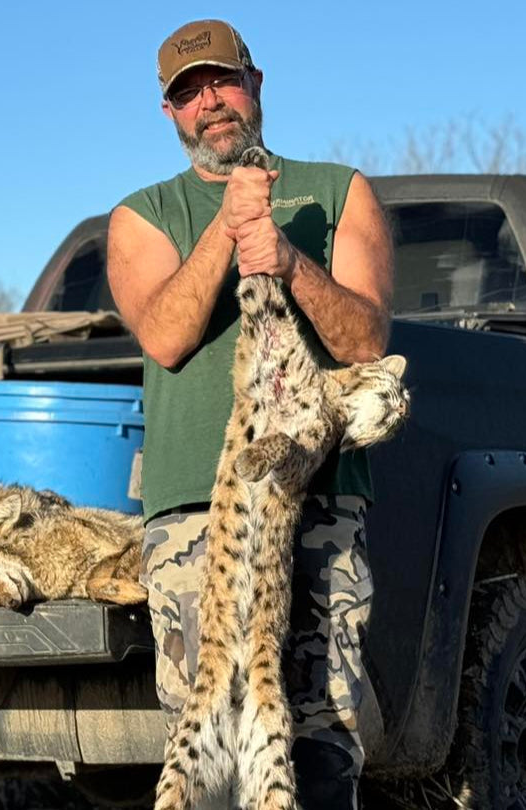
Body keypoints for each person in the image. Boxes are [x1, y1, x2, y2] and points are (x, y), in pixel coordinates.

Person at [105, 19, 393, 810]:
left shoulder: (338, 191)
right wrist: (229, 230)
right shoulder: (143, 213)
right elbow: (164, 336)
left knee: (322, 730)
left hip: (323, 498)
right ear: (169, 113)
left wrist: (288, 259)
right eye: (188, 93)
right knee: (202, 731)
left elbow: (366, 340)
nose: (210, 103)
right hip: (201, 514)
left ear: (255, 84)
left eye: (222, 82)